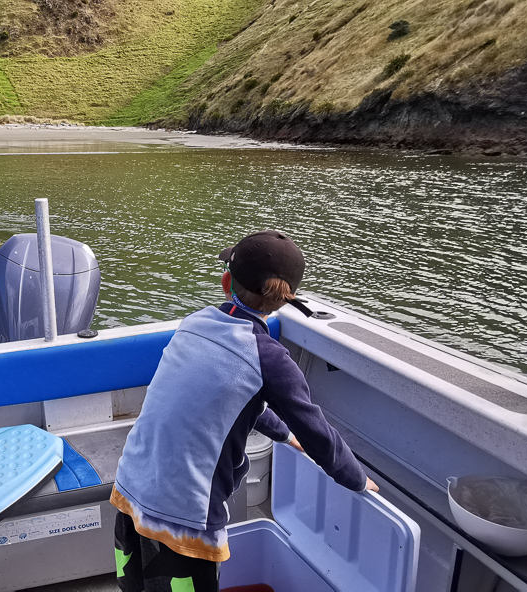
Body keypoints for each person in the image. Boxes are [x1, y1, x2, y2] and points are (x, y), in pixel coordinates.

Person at [109, 230, 378, 592]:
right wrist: (357, 479)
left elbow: (232, 399)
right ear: (283, 302)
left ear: (226, 282)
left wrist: (284, 434)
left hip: (130, 485)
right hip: (185, 514)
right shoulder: (269, 357)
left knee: (137, 586)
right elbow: (318, 434)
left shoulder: (194, 323)